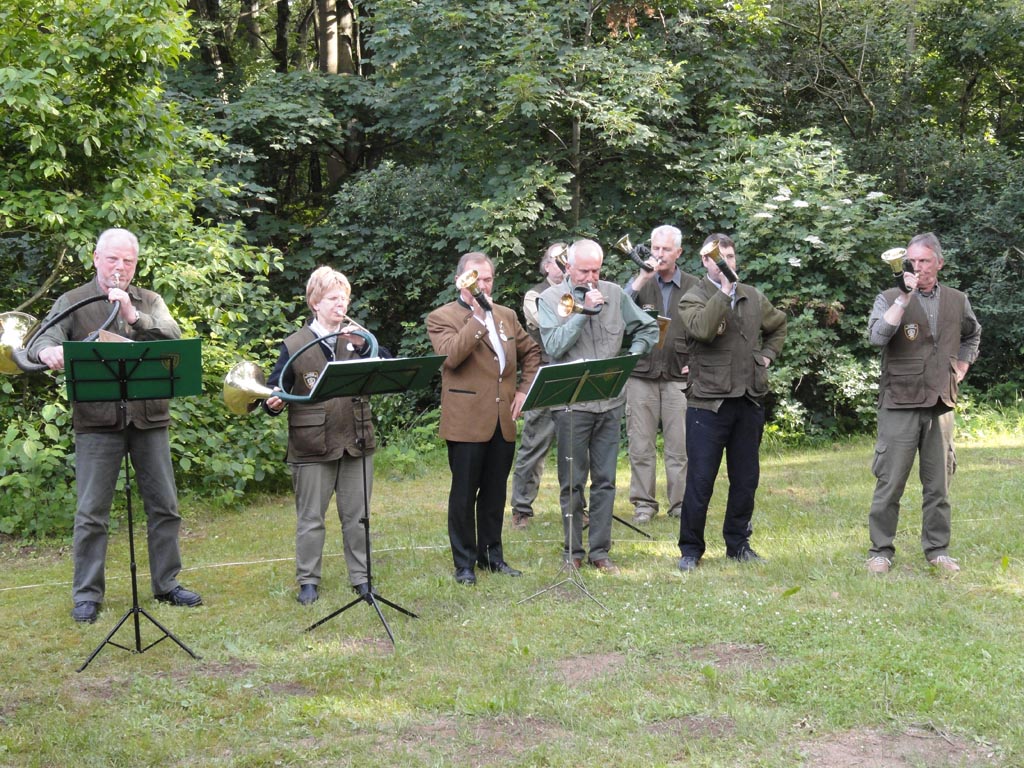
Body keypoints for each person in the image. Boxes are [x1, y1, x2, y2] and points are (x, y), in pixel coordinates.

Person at [28, 228, 202, 624]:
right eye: (112, 259)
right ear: (96, 259)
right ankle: (87, 595)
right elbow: (40, 340)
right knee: (92, 512)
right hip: (96, 422)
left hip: (149, 419)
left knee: (165, 506)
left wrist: (132, 316)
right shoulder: (73, 300)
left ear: (135, 264)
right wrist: (48, 351)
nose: (120, 267)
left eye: (128, 261)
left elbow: (174, 336)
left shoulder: (149, 300)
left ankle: (167, 584)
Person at [537, 239, 659, 573]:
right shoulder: (550, 299)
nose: (591, 278)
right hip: (572, 405)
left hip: (609, 402)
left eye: (596, 270)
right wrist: (584, 313)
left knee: (605, 480)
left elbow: (648, 327)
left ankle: (600, 552)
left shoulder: (614, 294)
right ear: (568, 267)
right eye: (584, 271)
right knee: (572, 482)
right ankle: (572, 552)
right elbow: (554, 346)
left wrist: (631, 357)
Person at [263, 266, 381, 605]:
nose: (340, 305)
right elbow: (276, 389)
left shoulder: (358, 338)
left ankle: (361, 578)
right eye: (332, 299)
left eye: (344, 299)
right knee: (311, 519)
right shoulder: (295, 345)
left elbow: (385, 366)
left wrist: (367, 349)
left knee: (358, 517)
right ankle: (308, 582)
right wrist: (273, 403)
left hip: (356, 440)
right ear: (315, 302)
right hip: (312, 444)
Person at [865, 233, 981, 575]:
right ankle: (880, 552)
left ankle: (937, 550)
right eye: (912, 261)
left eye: (925, 261)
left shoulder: (958, 300)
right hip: (899, 401)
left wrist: (962, 366)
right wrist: (904, 299)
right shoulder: (889, 298)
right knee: (890, 482)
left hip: (940, 402)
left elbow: (972, 334)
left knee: (939, 484)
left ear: (939, 263)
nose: (917, 267)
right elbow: (876, 338)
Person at [427, 252, 541, 585]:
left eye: (488, 279)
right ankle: (464, 563)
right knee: (464, 495)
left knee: (494, 494)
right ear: (459, 281)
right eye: (476, 279)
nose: (483, 286)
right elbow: (451, 357)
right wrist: (478, 318)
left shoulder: (506, 315)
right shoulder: (442, 317)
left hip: (502, 418)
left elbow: (532, 352)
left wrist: (524, 391)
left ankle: (492, 556)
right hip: (466, 420)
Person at [676, 233, 787, 572]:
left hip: (749, 399)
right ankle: (690, 550)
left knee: (745, 479)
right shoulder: (692, 298)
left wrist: (766, 356)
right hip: (707, 403)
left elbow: (778, 325)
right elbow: (703, 330)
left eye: (730, 256)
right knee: (700, 480)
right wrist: (724, 292)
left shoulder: (752, 295)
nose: (725, 263)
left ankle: (738, 545)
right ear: (704, 261)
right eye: (717, 257)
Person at [623, 224, 700, 523]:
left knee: (680, 446)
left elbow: (710, 328)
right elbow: (617, 311)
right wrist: (643, 277)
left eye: (666, 249)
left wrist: (697, 363)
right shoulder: (640, 280)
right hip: (641, 373)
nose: (659, 254)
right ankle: (644, 505)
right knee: (640, 445)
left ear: (678, 252)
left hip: (679, 376)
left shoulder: (695, 285)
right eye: (655, 248)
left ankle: (680, 504)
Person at [508, 243, 566, 529]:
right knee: (534, 444)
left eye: (568, 260)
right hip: (544, 375)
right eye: (558, 261)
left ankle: (576, 508)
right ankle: (521, 508)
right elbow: (546, 323)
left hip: (571, 372)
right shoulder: (535, 294)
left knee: (576, 447)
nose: (563, 266)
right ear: (546, 266)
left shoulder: (579, 290)